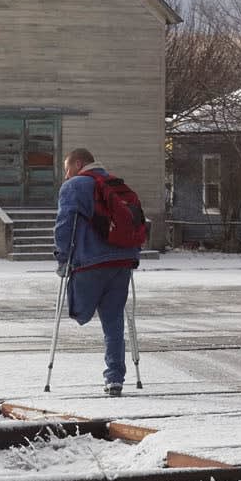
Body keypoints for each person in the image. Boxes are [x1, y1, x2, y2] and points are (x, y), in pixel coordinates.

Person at [54, 147, 142, 396]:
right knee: (113, 321)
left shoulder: (74, 186)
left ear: (79, 163)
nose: (66, 176)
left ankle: (85, 312)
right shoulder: (116, 184)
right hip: (123, 260)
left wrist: (62, 258)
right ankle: (114, 378)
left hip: (90, 261)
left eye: (67, 169)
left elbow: (64, 224)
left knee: (80, 312)